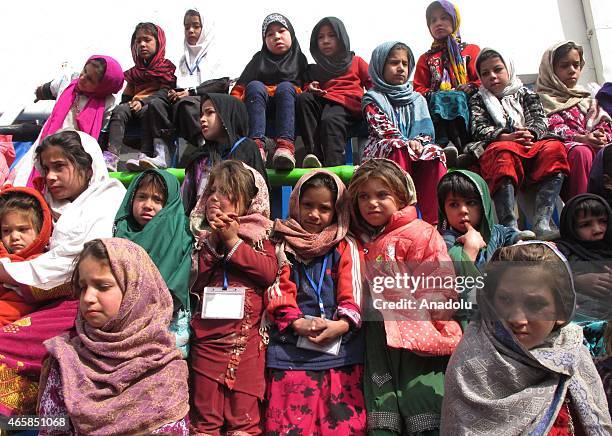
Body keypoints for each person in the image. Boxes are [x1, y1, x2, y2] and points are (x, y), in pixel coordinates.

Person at [0, 130, 125, 416]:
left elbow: (73, 263)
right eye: (46, 168)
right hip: (49, 303)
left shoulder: (106, 201)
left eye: (60, 166)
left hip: (82, 307)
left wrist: (7, 271)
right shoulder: (49, 209)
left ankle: (27, 416)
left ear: (86, 166)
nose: (51, 176)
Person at [442, 242, 612, 434]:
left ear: (561, 310)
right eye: (505, 300)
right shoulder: (469, 368)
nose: (516, 319)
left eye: (535, 304)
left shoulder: (574, 354)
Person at [348, 158, 461, 435]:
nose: (372, 203)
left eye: (382, 195)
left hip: (416, 336)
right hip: (378, 336)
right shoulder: (362, 240)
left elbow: (439, 282)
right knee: (382, 404)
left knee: (422, 403)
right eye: (364, 196)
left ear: (401, 198)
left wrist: (424, 310)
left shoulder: (419, 233)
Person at [38, 238, 189, 435]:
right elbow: (52, 427)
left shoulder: (164, 369)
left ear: (136, 291)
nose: (88, 298)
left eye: (103, 286)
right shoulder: (66, 360)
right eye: (83, 287)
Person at [265, 170, 365, 434]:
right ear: (295, 202)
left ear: (337, 210)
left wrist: (341, 326)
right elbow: (278, 288)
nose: (314, 214)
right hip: (290, 355)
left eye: (324, 208)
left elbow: (352, 291)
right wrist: (296, 323)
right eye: (307, 205)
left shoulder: (345, 246)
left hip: (341, 355)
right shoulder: (281, 244)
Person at [189, 161, 276, 435]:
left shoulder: (260, 235)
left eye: (226, 191)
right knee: (205, 422)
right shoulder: (200, 238)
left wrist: (233, 241)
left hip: (246, 344)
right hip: (207, 344)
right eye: (212, 190)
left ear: (246, 200)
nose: (216, 198)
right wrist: (215, 241)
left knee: (244, 422)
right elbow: (195, 280)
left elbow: (268, 273)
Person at [469, 48, 570, 238]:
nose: (492, 76)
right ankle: (509, 228)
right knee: (503, 153)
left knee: (554, 149)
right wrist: (504, 136)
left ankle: (542, 221)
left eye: (498, 69)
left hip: (531, 144)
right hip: (501, 145)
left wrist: (530, 133)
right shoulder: (478, 99)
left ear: (509, 69)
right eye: (485, 73)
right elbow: (478, 128)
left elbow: (540, 121)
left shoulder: (526, 93)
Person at [362, 41, 447, 225]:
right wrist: (407, 142)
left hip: (414, 149)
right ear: (379, 66)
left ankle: (433, 222)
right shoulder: (372, 97)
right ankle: (400, 213)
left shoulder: (417, 98)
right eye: (394, 63)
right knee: (398, 146)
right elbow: (382, 128)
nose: (401, 68)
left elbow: (426, 130)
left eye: (405, 63)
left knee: (435, 152)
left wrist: (417, 141)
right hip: (383, 150)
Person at [113, 169, 194, 356]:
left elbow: (175, 285)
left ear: (170, 203)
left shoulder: (181, 232)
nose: (148, 205)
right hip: (123, 321)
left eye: (157, 200)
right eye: (141, 197)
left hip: (165, 322)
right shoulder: (120, 233)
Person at [10, 55, 123, 185]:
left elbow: (103, 131)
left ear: (103, 86)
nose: (82, 77)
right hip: (47, 143)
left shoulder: (107, 103)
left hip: (73, 154)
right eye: (84, 71)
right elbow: (47, 89)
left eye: (90, 79)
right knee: (29, 180)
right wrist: (38, 93)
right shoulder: (68, 83)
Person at [437, 170, 533, 320]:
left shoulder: (496, 233)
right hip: (469, 316)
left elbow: (511, 236)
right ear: (444, 210)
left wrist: (520, 242)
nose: (463, 210)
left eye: (471, 203)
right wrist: (469, 251)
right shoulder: (443, 243)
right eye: (454, 204)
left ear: (484, 204)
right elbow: (448, 286)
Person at [143, 9, 231, 169]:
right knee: (156, 103)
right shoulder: (183, 59)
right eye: (187, 27)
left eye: (196, 26)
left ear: (204, 28)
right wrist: (172, 92)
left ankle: (207, 147)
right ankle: (162, 153)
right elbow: (178, 83)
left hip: (205, 99)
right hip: (183, 101)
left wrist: (191, 92)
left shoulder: (216, 53)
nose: (190, 30)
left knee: (186, 105)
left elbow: (222, 84)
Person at [536, 41, 612, 200]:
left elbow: (603, 121)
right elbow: (552, 126)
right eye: (564, 66)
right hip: (564, 149)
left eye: (576, 65)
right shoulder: (542, 99)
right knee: (581, 151)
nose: (572, 70)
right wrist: (582, 138)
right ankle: (583, 206)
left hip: (590, 143)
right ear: (550, 69)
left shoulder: (586, 98)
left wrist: (601, 135)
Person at [231, 13, 307, 170]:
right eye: (270, 34)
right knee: (254, 86)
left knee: (286, 87)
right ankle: (256, 148)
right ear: (264, 41)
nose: (276, 37)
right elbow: (239, 89)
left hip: (289, 109)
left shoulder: (300, 60)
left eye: (281, 31)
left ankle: (285, 148)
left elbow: (308, 89)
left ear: (291, 34)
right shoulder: (258, 60)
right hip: (259, 107)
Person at [296, 17, 371, 167]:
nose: (325, 41)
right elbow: (304, 87)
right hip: (325, 102)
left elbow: (373, 84)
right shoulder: (314, 69)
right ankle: (314, 156)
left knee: (330, 118)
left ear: (341, 37)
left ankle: (333, 165)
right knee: (304, 99)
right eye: (320, 37)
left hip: (347, 105)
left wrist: (372, 108)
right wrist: (310, 88)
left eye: (331, 35)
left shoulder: (356, 61)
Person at [414, 1, 481, 165]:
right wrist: (435, 94)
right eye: (433, 20)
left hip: (466, 101)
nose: (438, 23)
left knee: (456, 96)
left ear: (455, 20)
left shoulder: (471, 50)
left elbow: (481, 79)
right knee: (445, 98)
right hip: (436, 105)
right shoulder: (426, 58)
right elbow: (418, 87)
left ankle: (463, 144)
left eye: (444, 18)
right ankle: (447, 145)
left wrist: (471, 86)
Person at [181, 93, 268, 214]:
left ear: (226, 114)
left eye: (209, 112)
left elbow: (259, 198)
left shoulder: (248, 148)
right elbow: (185, 201)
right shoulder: (199, 157)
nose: (202, 119)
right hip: (199, 226)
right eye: (201, 114)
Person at [106, 23, 176, 171]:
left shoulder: (166, 69)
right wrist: (129, 104)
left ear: (159, 43)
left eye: (147, 40)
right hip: (135, 106)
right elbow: (126, 96)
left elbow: (165, 93)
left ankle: (145, 155)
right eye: (138, 41)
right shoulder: (134, 73)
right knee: (119, 110)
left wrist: (143, 102)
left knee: (148, 111)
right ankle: (112, 156)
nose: (142, 44)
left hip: (153, 109)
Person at [0, 187, 52, 325]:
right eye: (6, 231)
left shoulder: (43, 263)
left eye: (23, 229)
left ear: (39, 230)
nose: (15, 237)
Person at [556, 194, 612, 321]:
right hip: (583, 318)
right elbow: (545, 279)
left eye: (603, 221)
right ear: (571, 227)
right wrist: (577, 281)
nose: (597, 229)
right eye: (585, 225)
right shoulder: (563, 252)